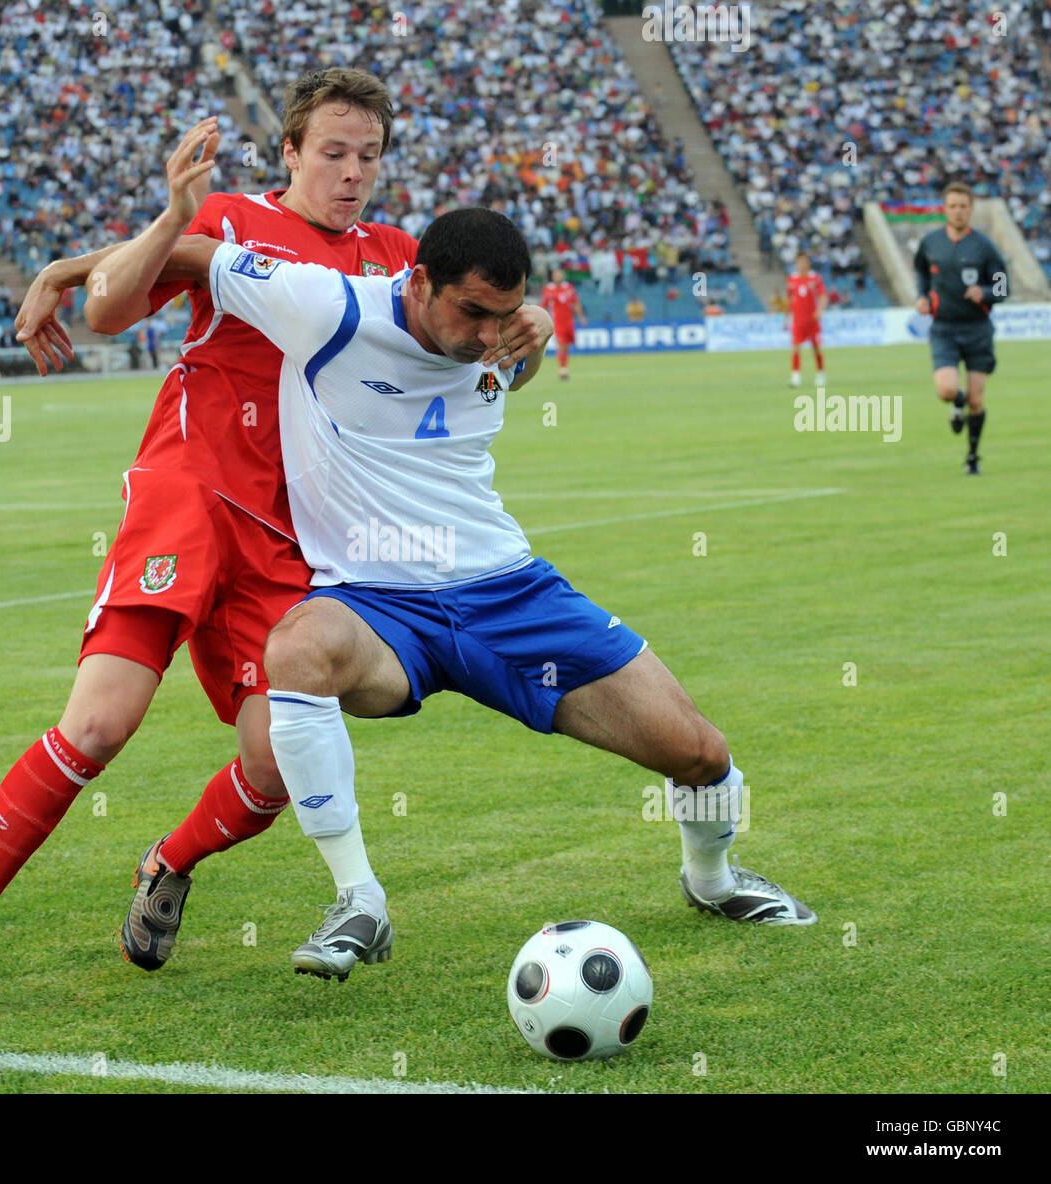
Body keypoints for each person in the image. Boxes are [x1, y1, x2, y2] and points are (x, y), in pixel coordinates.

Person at [134, 204, 816, 983]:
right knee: (296, 648)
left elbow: (509, 365)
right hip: (377, 603)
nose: (488, 336)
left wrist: (532, 345)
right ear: (420, 282)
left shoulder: (500, 331)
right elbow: (190, 253)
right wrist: (61, 274)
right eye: (473, 314)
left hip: (508, 591)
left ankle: (712, 879)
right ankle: (359, 898)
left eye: (505, 315)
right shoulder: (328, 305)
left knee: (700, 753)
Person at [0, 69, 426, 1028]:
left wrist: (528, 323)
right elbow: (109, 309)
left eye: (368, 156)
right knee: (98, 725)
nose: (351, 174)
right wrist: (166, 216)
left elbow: (470, 311)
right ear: (290, 153)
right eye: (331, 153)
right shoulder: (228, 219)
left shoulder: (393, 257)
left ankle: (168, 862)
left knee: (273, 762)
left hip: (287, 536)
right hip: (187, 493)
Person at [913, 181, 1006, 475]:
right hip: (944, 329)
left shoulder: (984, 246)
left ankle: (972, 457)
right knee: (946, 389)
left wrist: (987, 293)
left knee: (978, 400)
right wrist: (922, 296)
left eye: (963, 206)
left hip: (977, 329)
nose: (958, 211)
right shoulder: (931, 243)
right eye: (952, 206)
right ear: (945, 209)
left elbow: (1003, 285)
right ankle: (957, 402)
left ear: (971, 209)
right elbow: (921, 271)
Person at [785, 250, 827, 388]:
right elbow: (789, 299)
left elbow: (823, 296)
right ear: (796, 263)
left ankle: (820, 374)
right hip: (798, 320)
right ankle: (795, 377)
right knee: (796, 348)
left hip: (812, 320)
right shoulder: (792, 279)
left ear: (808, 262)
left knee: (816, 348)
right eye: (799, 261)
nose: (802, 264)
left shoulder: (815, 278)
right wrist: (786, 319)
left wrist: (820, 310)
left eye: (804, 261)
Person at [540, 266, 587, 379]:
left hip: (569, 321)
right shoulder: (548, 289)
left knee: (566, 346)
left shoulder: (569, 287)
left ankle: (564, 366)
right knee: (562, 345)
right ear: (553, 276)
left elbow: (575, 302)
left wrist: (581, 316)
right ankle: (563, 369)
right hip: (557, 322)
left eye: (560, 274)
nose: (559, 276)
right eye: (556, 275)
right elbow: (544, 305)